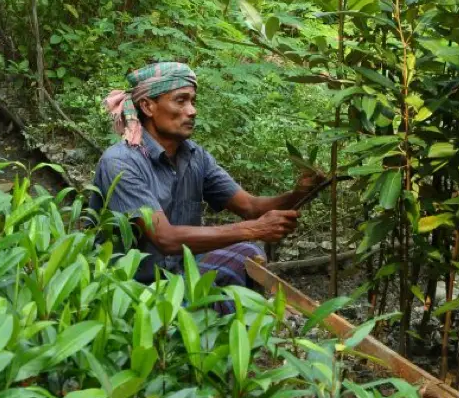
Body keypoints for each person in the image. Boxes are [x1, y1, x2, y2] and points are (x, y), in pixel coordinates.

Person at [88, 61, 321, 297]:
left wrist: (300, 192)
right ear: (148, 106)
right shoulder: (120, 162)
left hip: (179, 275)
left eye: (192, 101)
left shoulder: (194, 156)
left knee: (246, 253)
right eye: (181, 100)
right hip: (130, 290)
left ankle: (216, 319)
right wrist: (254, 229)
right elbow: (165, 239)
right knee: (243, 250)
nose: (192, 111)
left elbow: (250, 208)